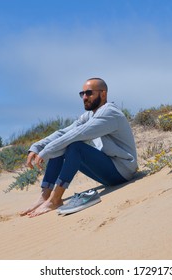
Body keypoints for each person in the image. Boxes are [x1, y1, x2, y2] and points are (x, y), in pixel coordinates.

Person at [20, 78, 138, 217]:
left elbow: (78, 134)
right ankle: (45, 196)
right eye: (82, 94)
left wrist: (46, 152)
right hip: (108, 170)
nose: (85, 97)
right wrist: (37, 147)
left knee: (75, 146)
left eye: (89, 93)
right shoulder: (89, 115)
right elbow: (64, 132)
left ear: (103, 94)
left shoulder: (109, 113)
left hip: (123, 172)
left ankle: (55, 199)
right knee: (63, 145)